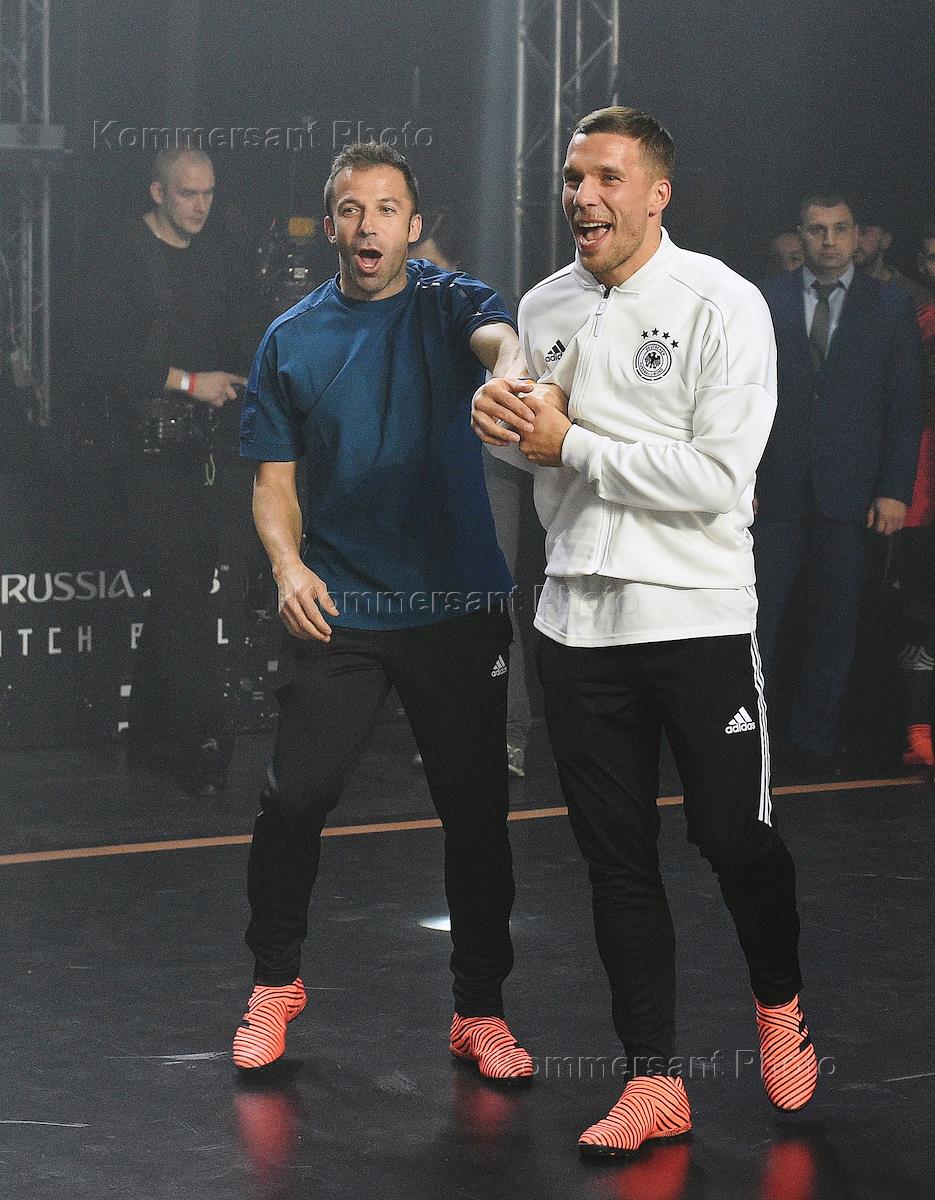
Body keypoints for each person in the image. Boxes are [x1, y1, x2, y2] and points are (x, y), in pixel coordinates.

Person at [472, 105, 816, 1158]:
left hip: (695, 615)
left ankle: (778, 1003)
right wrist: (501, 427)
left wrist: (569, 442)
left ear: (656, 194)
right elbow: (534, 451)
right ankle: (652, 1081)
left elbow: (716, 477)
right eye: (573, 178)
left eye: (607, 178)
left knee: (732, 839)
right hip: (576, 622)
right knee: (615, 861)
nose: (582, 196)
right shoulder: (544, 304)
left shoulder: (723, 301)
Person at [232, 143, 533, 1084]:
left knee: (476, 815)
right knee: (293, 801)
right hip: (345, 605)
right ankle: (273, 985)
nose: (369, 225)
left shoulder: (451, 303)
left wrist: (507, 371)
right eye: (352, 209)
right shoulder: (290, 338)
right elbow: (273, 481)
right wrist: (287, 565)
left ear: (414, 225)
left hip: (454, 605)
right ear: (330, 226)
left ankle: (479, 1012)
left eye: (388, 208)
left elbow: (500, 341)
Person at [84, 147, 251, 796]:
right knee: (182, 585)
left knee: (185, 586)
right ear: (158, 192)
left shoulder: (214, 259)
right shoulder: (122, 255)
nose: (201, 206)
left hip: (199, 450)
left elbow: (229, 340)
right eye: (187, 194)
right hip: (137, 452)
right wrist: (188, 382)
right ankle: (193, 741)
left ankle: (153, 733)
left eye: (208, 193)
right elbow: (101, 356)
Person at [755, 193, 923, 772]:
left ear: (859, 236)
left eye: (840, 229)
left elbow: (904, 404)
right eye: (817, 229)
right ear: (799, 235)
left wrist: (895, 489)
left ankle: (815, 740)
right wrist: (741, 477)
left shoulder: (890, 304)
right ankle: (750, 734)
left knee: (835, 623)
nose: (828, 241)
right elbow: (740, 395)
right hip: (774, 487)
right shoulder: (765, 298)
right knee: (760, 618)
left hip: (853, 491)